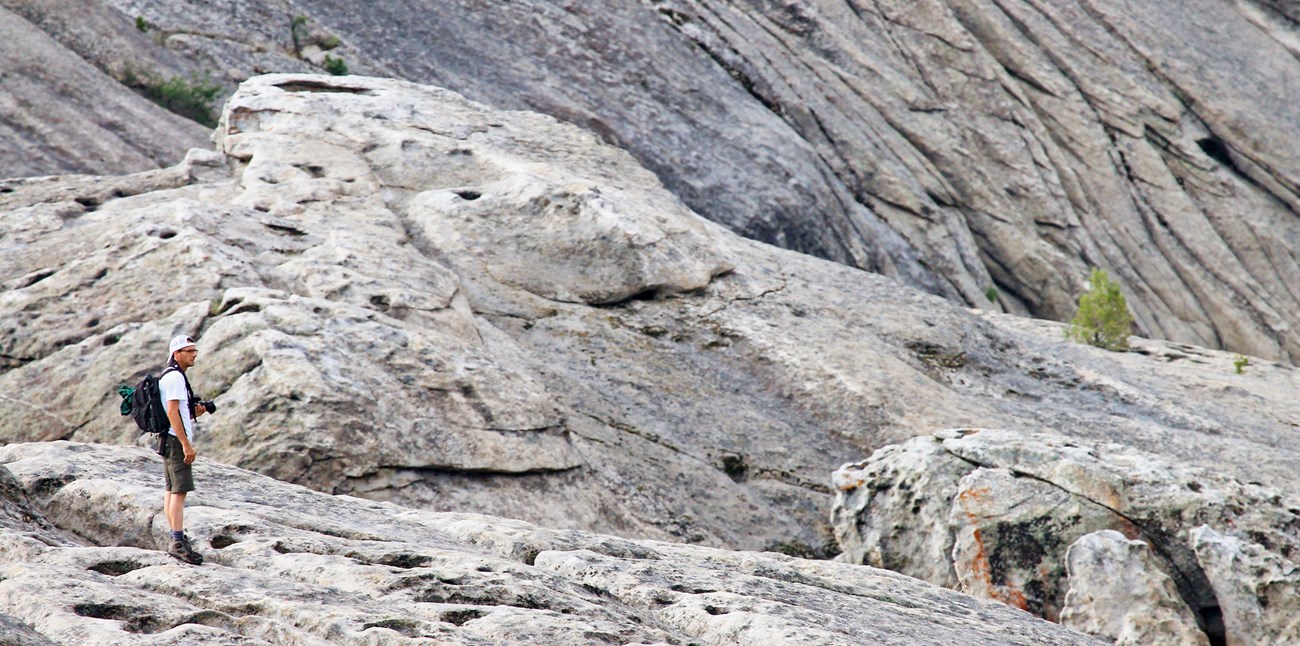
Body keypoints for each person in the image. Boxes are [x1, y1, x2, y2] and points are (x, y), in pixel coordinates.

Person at [160, 334, 208, 564]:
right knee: (179, 491)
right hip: (175, 441)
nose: (194, 354)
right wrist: (186, 444)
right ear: (176, 354)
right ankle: (177, 542)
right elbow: (171, 413)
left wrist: (194, 413)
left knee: (171, 490)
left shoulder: (170, 376)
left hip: (168, 439)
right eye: (189, 351)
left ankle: (174, 536)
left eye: (194, 350)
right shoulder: (176, 378)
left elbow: (177, 412)